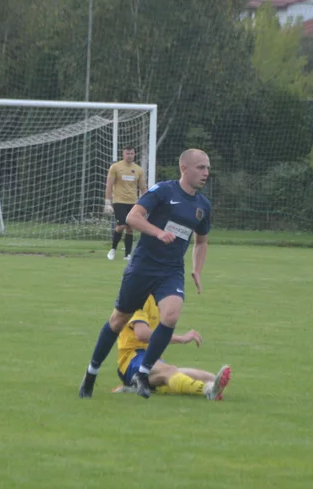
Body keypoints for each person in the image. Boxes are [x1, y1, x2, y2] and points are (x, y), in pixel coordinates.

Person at [79, 148, 213, 400]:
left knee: (171, 315)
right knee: (118, 322)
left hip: (171, 270)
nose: (206, 173)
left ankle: (142, 372)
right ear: (184, 168)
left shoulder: (203, 206)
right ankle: (91, 373)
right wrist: (158, 232)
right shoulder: (163, 191)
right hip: (143, 266)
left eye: (207, 168)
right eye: (201, 167)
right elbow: (133, 216)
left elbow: (201, 241)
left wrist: (196, 269)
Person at [111, 295, 231, 400]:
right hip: (132, 359)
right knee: (169, 372)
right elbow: (141, 333)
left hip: (153, 357)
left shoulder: (161, 300)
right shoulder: (140, 297)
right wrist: (181, 338)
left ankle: (135, 387)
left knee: (209, 378)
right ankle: (207, 391)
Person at [104, 146, 147, 261]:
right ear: (123, 154)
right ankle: (113, 249)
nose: (130, 156)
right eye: (127, 153)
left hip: (133, 202)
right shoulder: (116, 167)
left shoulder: (138, 170)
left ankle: (127, 254)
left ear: (134, 154)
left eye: (132, 153)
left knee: (130, 228)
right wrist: (107, 202)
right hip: (119, 201)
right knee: (121, 226)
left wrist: (148, 202)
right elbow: (109, 185)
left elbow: (143, 188)